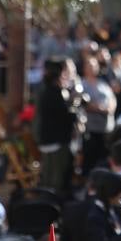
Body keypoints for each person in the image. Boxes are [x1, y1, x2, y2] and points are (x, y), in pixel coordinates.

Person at [34, 58, 77, 193]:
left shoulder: (45, 90)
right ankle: (50, 205)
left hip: (47, 139)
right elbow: (64, 116)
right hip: (56, 141)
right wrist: (74, 107)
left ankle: (46, 201)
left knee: (48, 176)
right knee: (55, 179)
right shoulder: (55, 92)